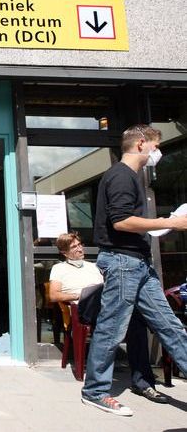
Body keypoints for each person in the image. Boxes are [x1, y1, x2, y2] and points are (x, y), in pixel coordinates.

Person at [81, 124, 187, 416]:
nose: (158, 152)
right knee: (112, 328)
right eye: (156, 145)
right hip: (123, 263)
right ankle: (95, 391)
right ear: (142, 144)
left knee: (170, 326)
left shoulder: (130, 177)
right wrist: (171, 222)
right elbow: (121, 221)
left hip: (136, 263)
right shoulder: (121, 176)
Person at [49, 232, 166, 404]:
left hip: (106, 307)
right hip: (84, 309)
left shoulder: (94, 266)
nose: (80, 248)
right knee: (104, 297)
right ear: (64, 252)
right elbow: (53, 295)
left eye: (80, 244)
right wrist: (81, 294)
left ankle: (143, 382)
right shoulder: (59, 269)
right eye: (74, 247)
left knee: (136, 323)